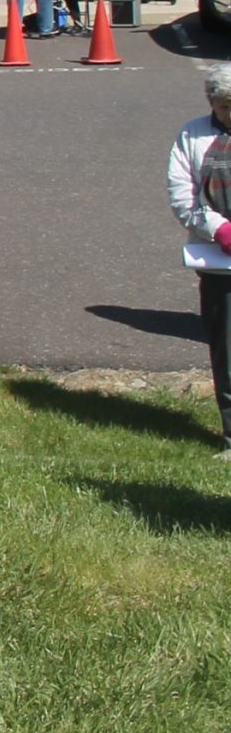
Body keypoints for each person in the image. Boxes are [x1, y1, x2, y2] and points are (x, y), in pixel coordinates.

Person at [168, 65, 231, 457]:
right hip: (219, 264)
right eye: (227, 107)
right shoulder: (193, 136)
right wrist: (218, 228)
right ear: (212, 103)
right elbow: (182, 195)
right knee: (227, 350)